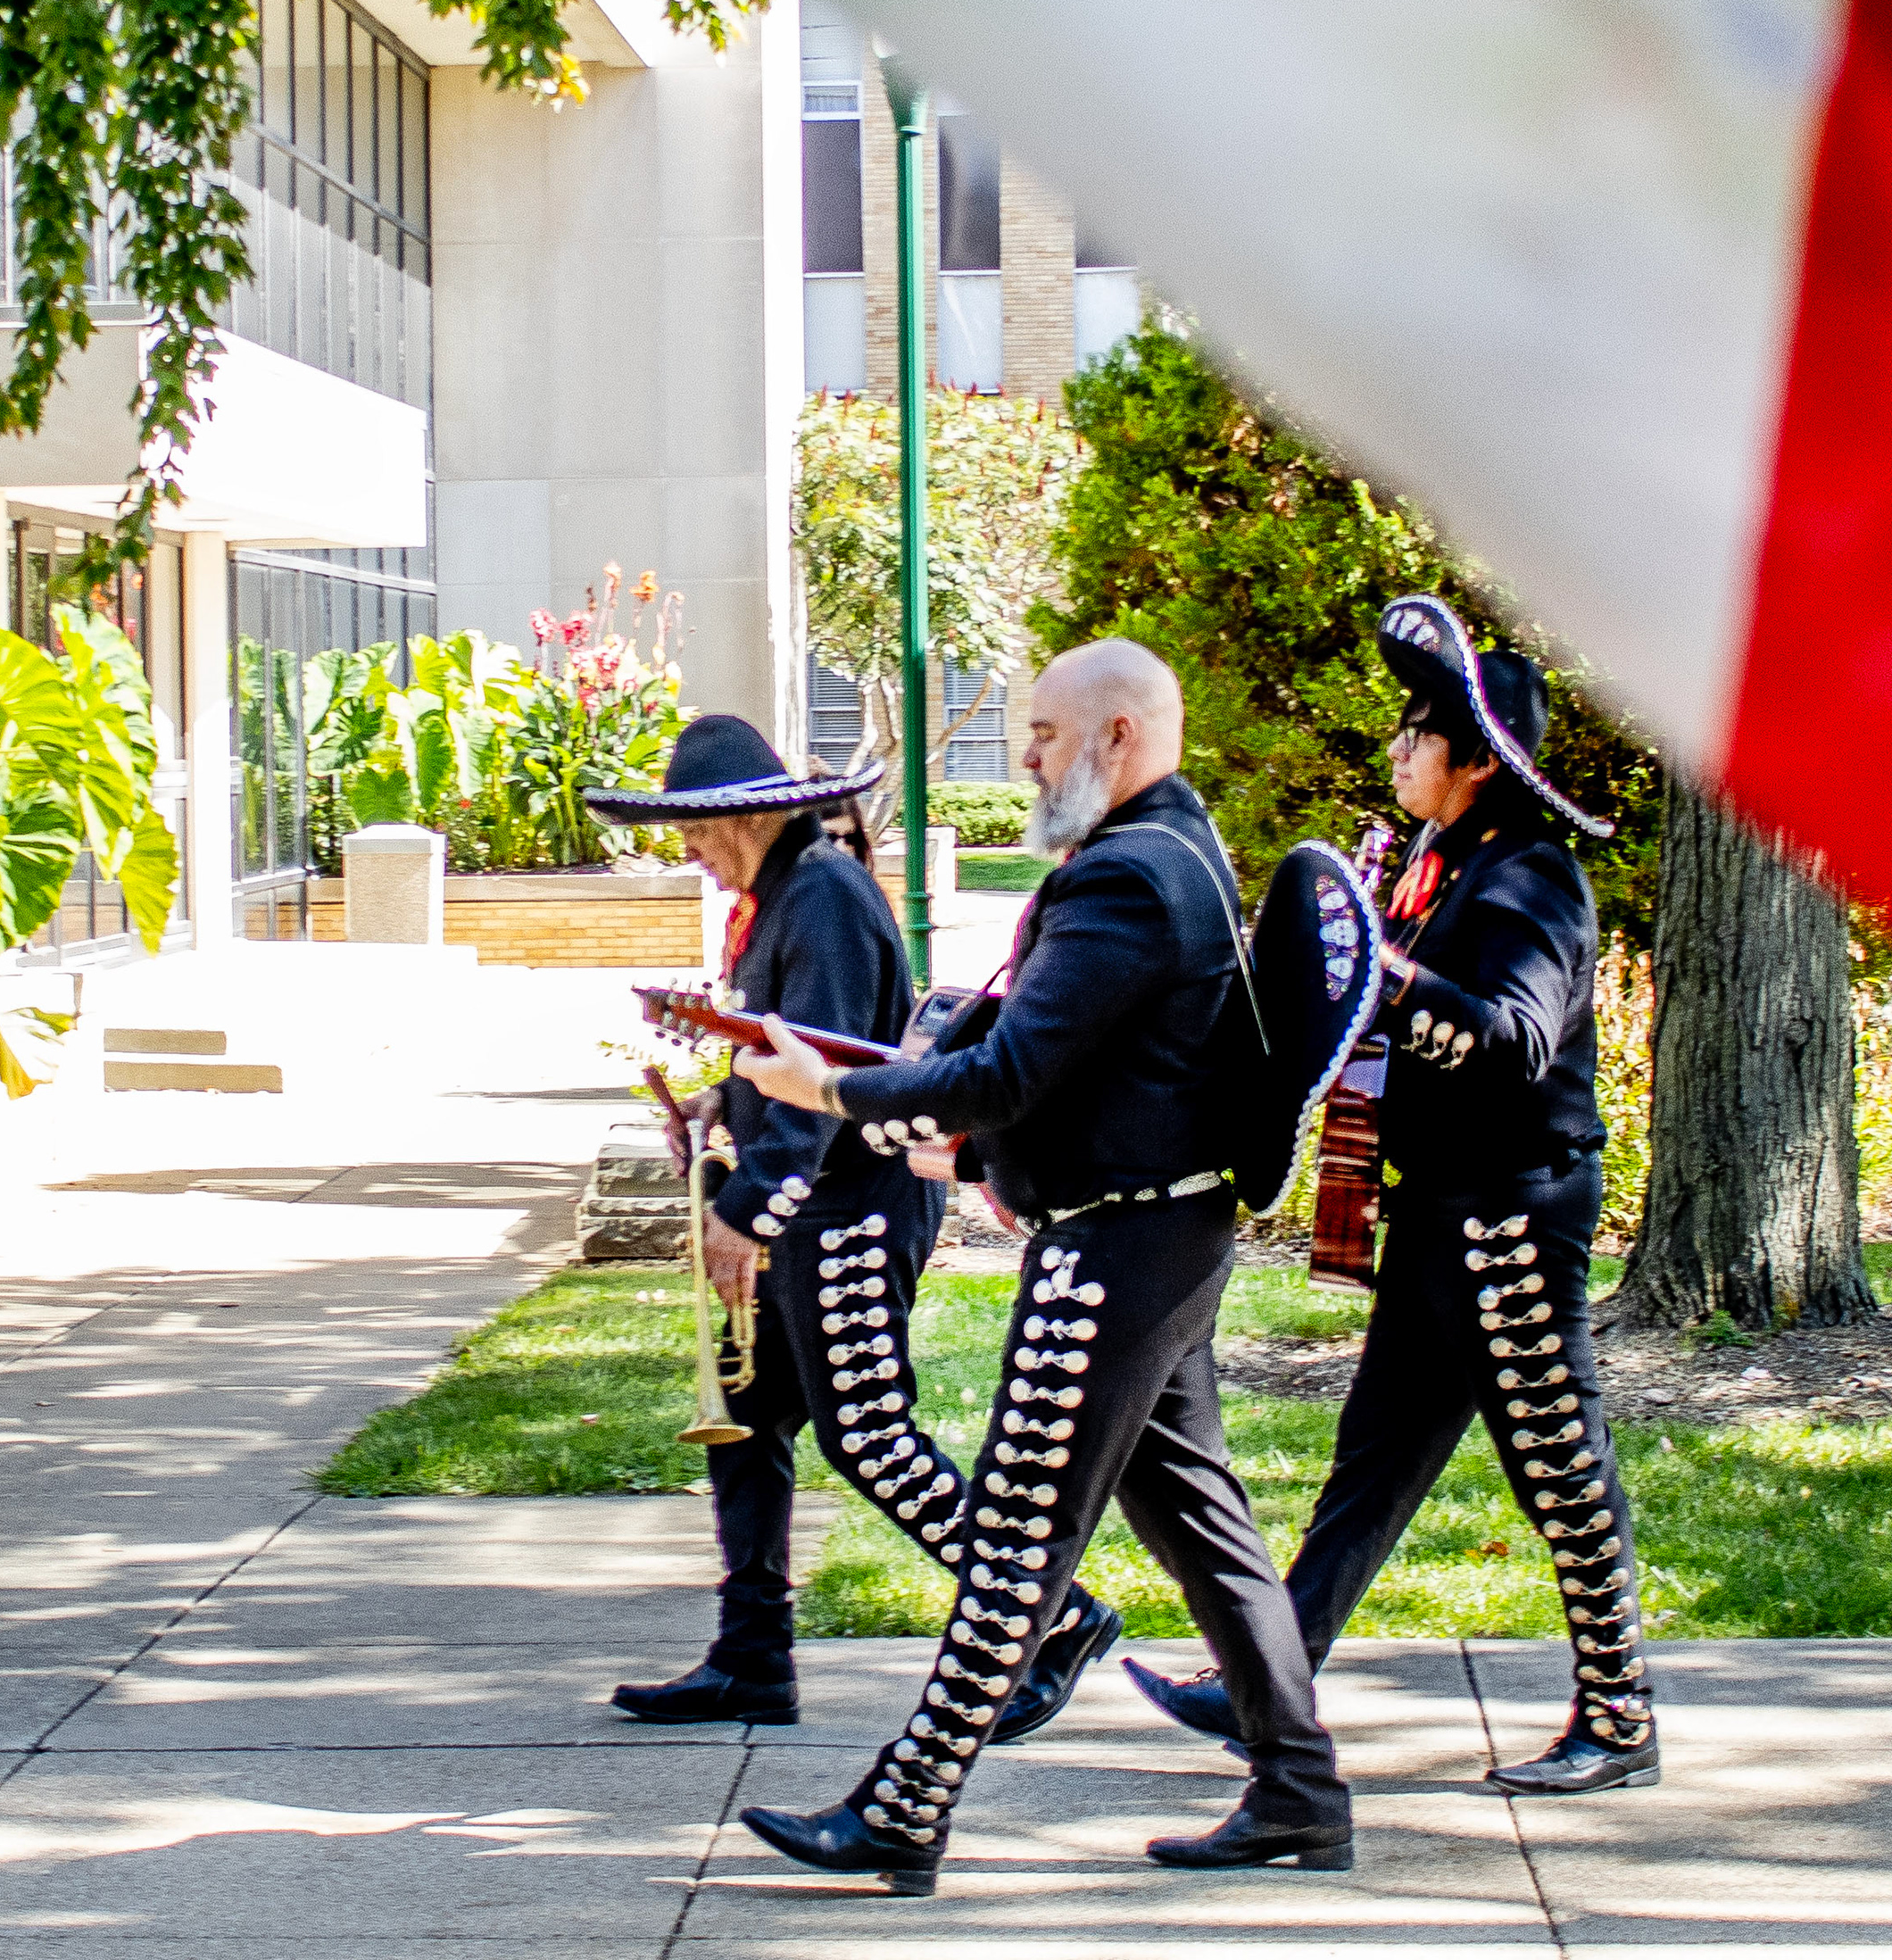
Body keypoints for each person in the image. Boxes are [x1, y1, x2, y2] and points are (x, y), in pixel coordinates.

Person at [732, 640, 1350, 1894]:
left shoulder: (1126, 880)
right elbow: (1112, 1072)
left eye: (1045, 734)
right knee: (1207, 1530)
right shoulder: (1170, 857)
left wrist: (837, 1089)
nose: (1024, 756)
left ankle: (906, 1807)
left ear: (1120, 734)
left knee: (1017, 1538)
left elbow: (1010, 1068)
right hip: (1158, 1233)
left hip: (1121, 1251)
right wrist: (966, 1160)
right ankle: (1299, 1793)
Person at [1129, 594, 1655, 1795]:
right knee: (1372, 1460)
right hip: (1437, 1208)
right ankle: (1273, 1678)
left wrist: (1387, 970)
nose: (1398, 750)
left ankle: (1621, 1718)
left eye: (1419, 732)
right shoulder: (1435, 860)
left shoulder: (1531, 880)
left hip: (1514, 1218)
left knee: (1557, 1464)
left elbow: (1514, 1041)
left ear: (1479, 761)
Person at [590, 714, 1121, 1738]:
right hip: (821, 1204)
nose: (688, 851)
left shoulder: (820, 896)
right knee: (746, 1421)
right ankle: (751, 1656)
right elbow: (793, 1062)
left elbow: (820, 1090)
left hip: (853, 1211)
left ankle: (1051, 1616)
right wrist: (720, 1108)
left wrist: (746, 1212)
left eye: (694, 830)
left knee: (868, 1434)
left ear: (745, 818)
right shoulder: (789, 893)